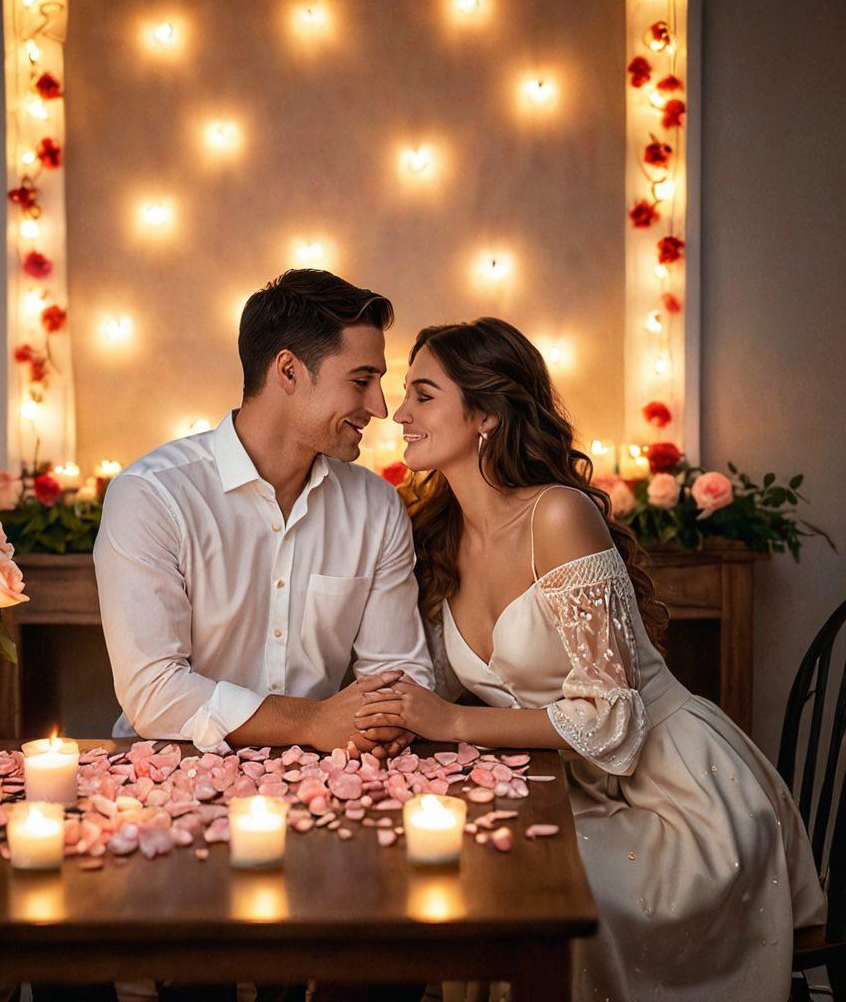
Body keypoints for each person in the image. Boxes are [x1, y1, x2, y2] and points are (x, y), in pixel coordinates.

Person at [353, 317, 826, 1002]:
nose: (399, 413)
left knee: (534, 895)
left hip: (670, 790)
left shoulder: (558, 516)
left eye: (423, 395)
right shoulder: (435, 535)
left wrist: (449, 723)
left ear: (485, 413)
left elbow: (610, 718)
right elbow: (426, 677)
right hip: (564, 785)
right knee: (461, 869)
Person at [94, 267, 434, 758]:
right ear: (289, 371)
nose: (379, 407)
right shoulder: (152, 495)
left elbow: (401, 673)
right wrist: (314, 720)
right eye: (361, 381)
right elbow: (154, 693)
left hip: (331, 777)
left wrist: (375, 721)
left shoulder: (375, 506)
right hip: (174, 777)